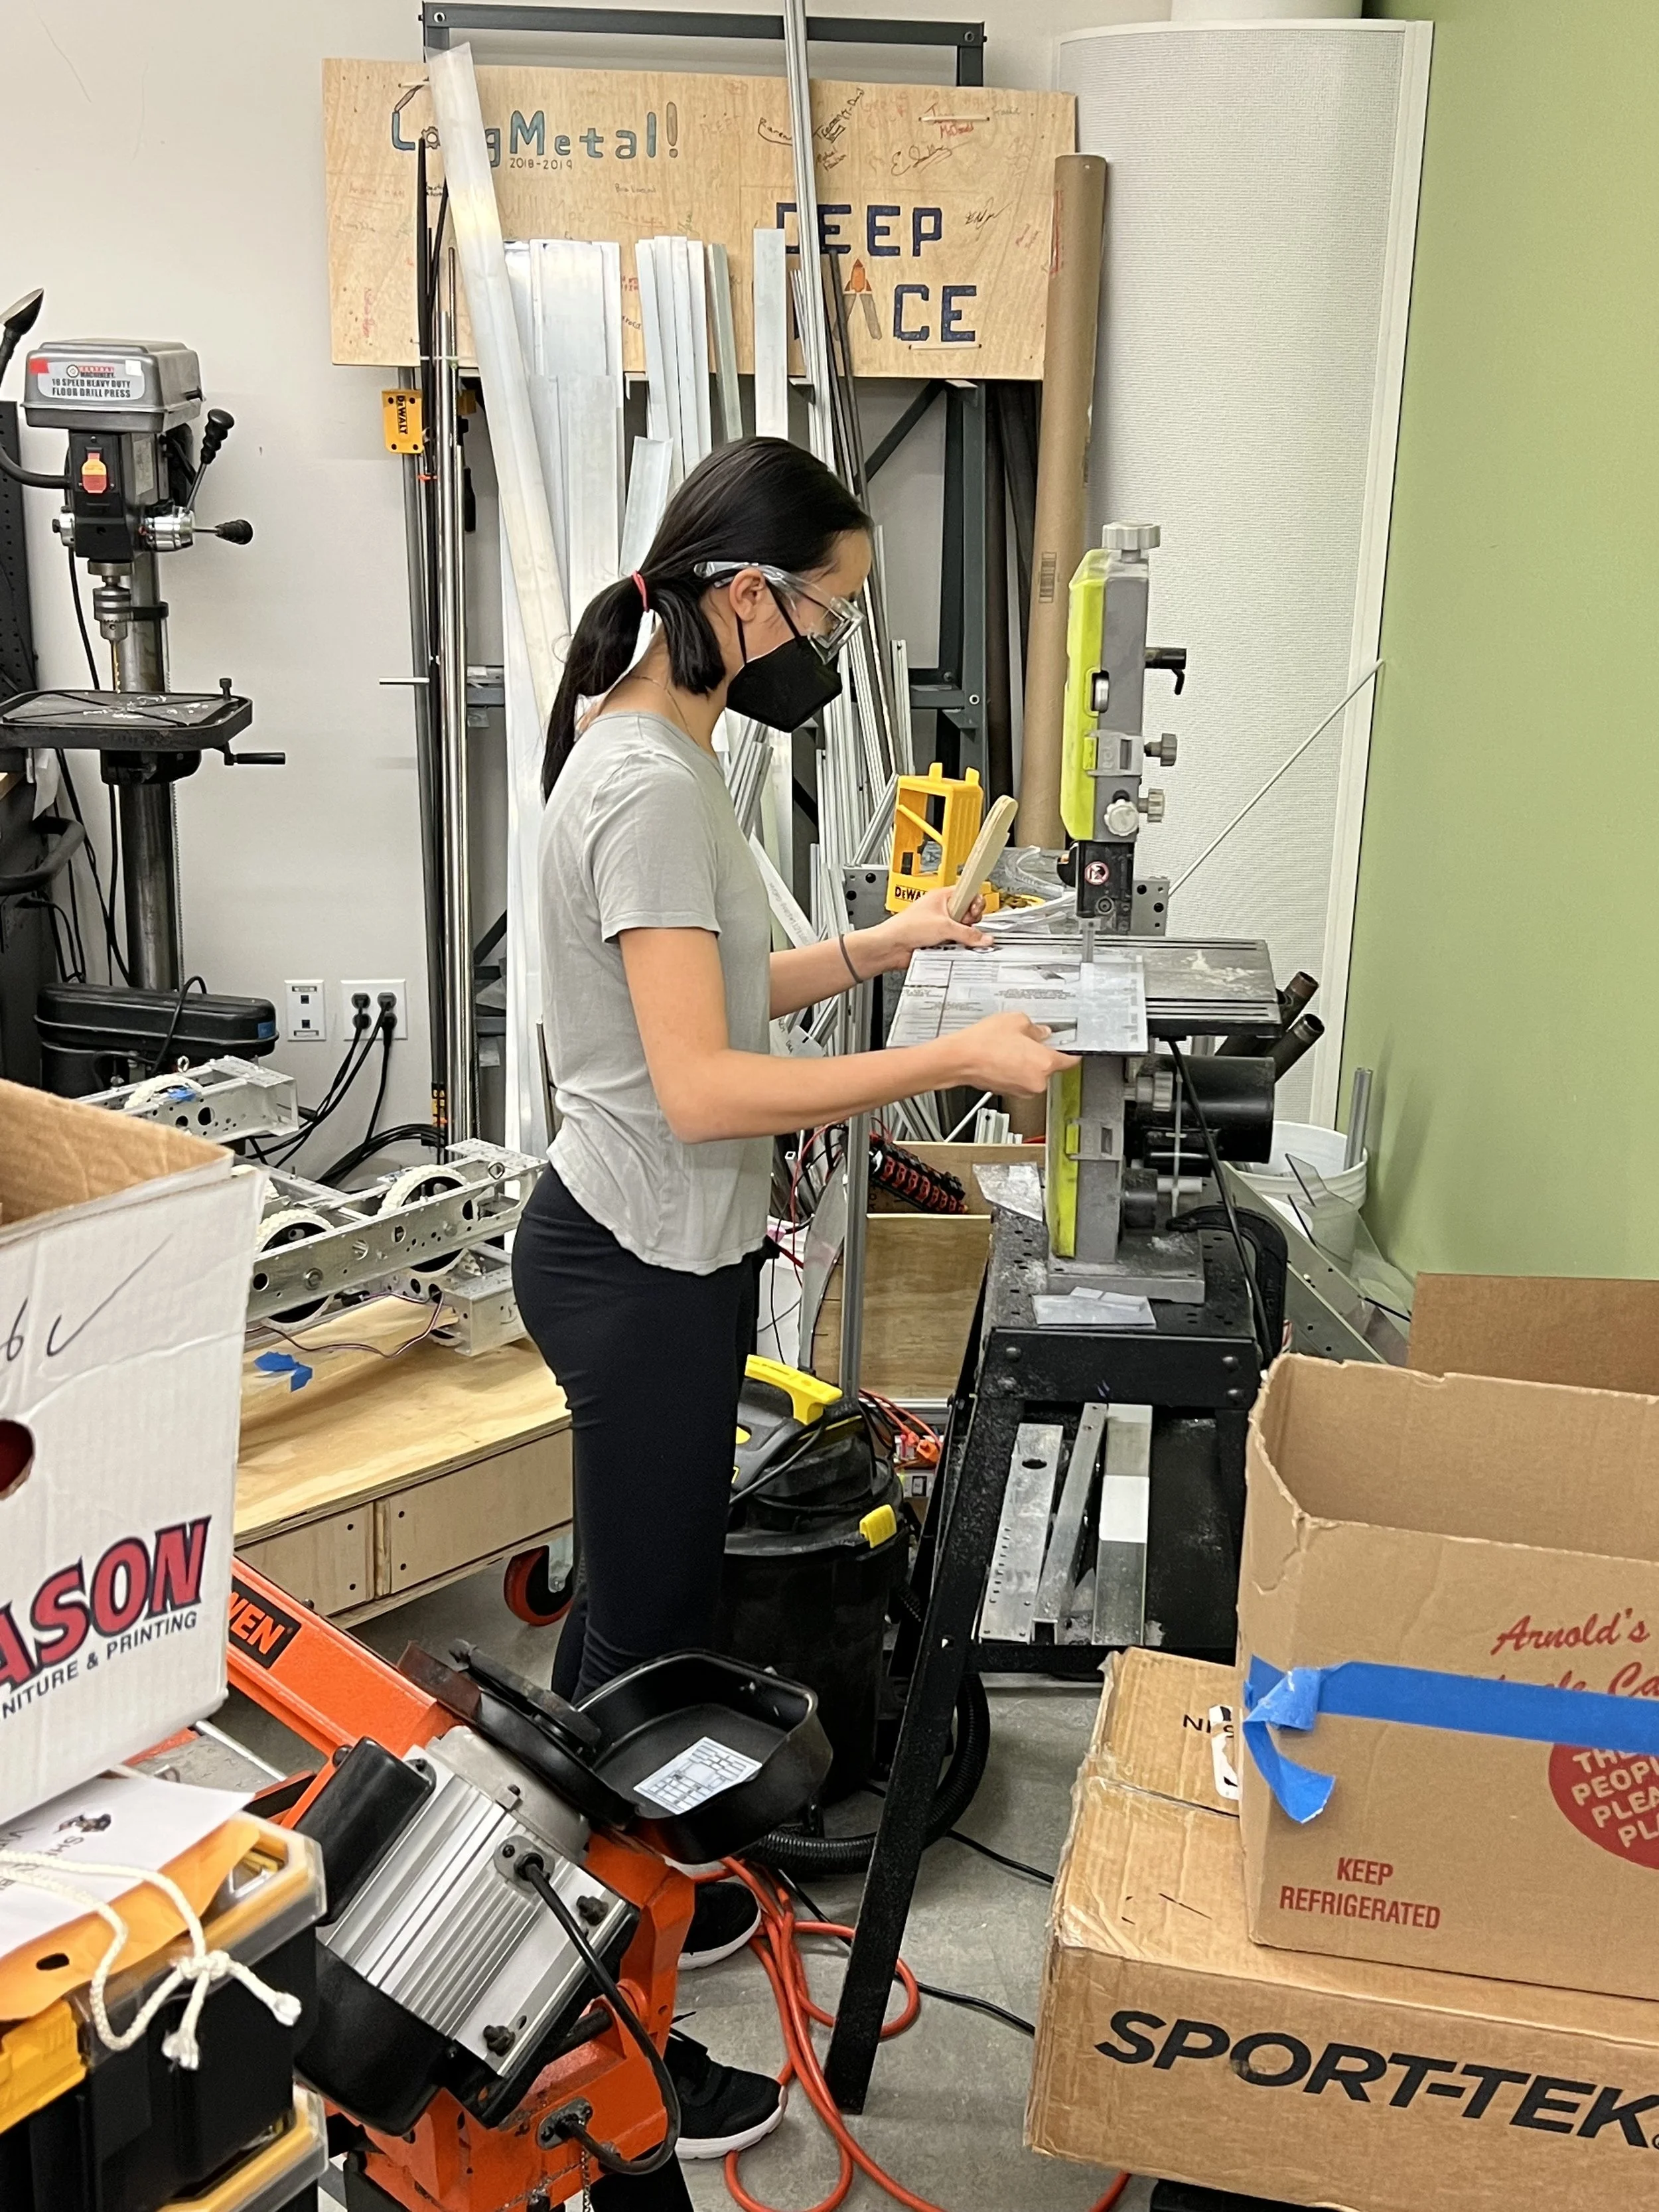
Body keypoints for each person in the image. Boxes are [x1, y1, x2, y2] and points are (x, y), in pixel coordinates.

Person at [512, 437, 1074, 2179]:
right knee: (640, 1687)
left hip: (644, 1257)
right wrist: (956, 1058)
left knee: (641, 1646)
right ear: (741, 594)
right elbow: (700, 1081)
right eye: (825, 602)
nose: (830, 635)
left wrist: (899, 941)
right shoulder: (653, 781)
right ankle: (602, 2049)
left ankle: (612, 1949)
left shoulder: (661, 743)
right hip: (634, 1266)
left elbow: (731, 985)